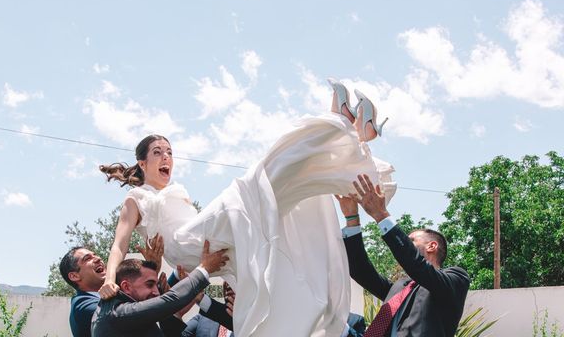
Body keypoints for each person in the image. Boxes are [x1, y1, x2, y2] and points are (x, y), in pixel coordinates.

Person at [99, 78, 397, 337]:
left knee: (275, 208)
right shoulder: (137, 198)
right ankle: (338, 124)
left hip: (209, 244)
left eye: (170, 152)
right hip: (190, 245)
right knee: (253, 189)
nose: (166, 158)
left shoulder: (178, 191)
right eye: (157, 153)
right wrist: (110, 280)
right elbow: (119, 245)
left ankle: (350, 136)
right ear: (142, 162)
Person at [337, 174, 470, 337]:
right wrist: (351, 219)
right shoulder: (399, 288)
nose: (406, 242)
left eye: (411, 240)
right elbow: (361, 271)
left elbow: (417, 265)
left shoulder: (456, 280)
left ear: (432, 246)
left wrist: (381, 215)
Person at [91, 240, 228, 337]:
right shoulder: (119, 313)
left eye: (155, 285)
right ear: (126, 286)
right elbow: (171, 299)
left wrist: (153, 268)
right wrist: (205, 268)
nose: (156, 292)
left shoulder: (119, 310)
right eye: (150, 284)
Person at [60, 247, 106, 337]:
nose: (98, 258)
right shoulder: (82, 304)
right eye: (87, 258)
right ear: (74, 276)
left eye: (95, 255)